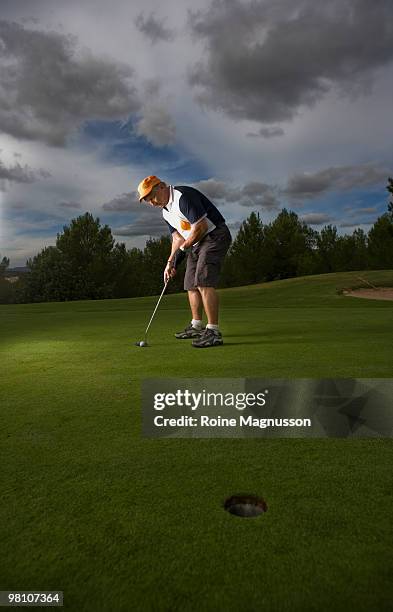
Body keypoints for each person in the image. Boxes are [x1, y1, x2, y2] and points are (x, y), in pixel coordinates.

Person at [137, 175, 232, 348]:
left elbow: (201, 226)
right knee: (190, 284)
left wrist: (184, 248)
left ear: (162, 186)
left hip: (215, 235)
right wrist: (170, 262)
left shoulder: (183, 196)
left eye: (152, 196)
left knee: (203, 280)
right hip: (196, 242)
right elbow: (177, 239)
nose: (152, 202)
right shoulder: (166, 212)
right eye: (148, 200)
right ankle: (197, 326)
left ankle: (213, 332)